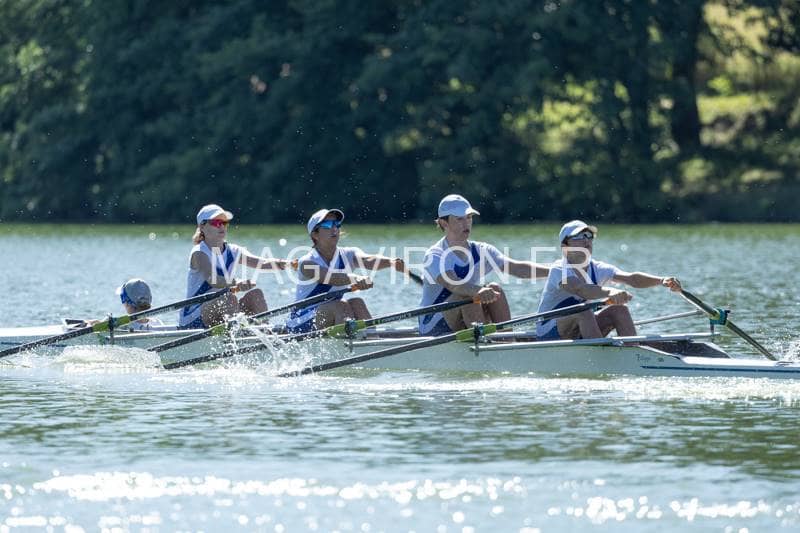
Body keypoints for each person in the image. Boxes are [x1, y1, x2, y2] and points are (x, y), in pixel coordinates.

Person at [418, 194, 550, 336]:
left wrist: (554, 271)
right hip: (433, 325)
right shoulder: (435, 255)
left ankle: (507, 341)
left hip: (465, 315)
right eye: (459, 219)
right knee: (467, 297)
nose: (466, 223)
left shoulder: (482, 250)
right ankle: (484, 342)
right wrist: (478, 291)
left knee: (495, 288)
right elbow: (454, 285)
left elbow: (517, 268)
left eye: (469, 217)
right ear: (444, 223)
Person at [536, 219, 682, 340]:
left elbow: (632, 279)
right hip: (549, 331)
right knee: (584, 312)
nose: (586, 240)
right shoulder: (558, 269)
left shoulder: (598, 268)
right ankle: (598, 356)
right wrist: (610, 292)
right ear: (565, 247)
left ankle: (634, 354)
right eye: (579, 237)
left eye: (588, 235)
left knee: (619, 310)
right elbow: (581, 289)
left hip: (579, 325)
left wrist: (661, 280)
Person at [285, 208, 407, 332]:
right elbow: (332, 277)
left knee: (357, 303)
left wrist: (391, 262)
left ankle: (372, 338)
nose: (334, 228)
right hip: (300, 321)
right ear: (315, 234)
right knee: (341, 305)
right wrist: (356, 278)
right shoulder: (306, 263)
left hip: (329, 313)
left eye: (336, 224)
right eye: (327, 224)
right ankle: (348, 341)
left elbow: (368, 259)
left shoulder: (349, 254)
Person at [179, 204, 289, 329]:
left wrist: (285, 263)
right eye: (216, 222)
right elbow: (213, 279)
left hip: (223, 309)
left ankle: (265, 332)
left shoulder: (234, 251)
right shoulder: (199, 253)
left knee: (256, 295)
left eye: (224, 223)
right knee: (228, 298)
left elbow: (262, 263)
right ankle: (237, 333)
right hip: (193, 318)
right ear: (202, 227)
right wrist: (237, 282)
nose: (221, 226)